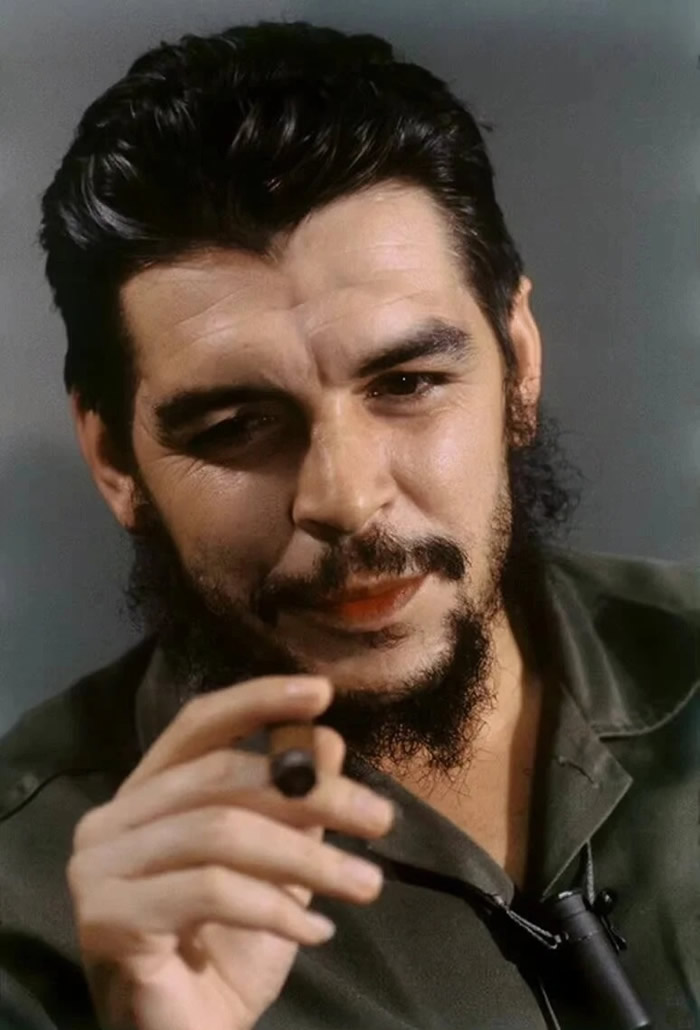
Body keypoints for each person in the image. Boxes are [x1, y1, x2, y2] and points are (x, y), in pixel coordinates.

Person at [0, 19, 697, 1030]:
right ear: (114, 460)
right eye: (236, 426)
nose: (343, 496)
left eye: (407, 382)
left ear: (519, 363)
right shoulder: (22, 906)